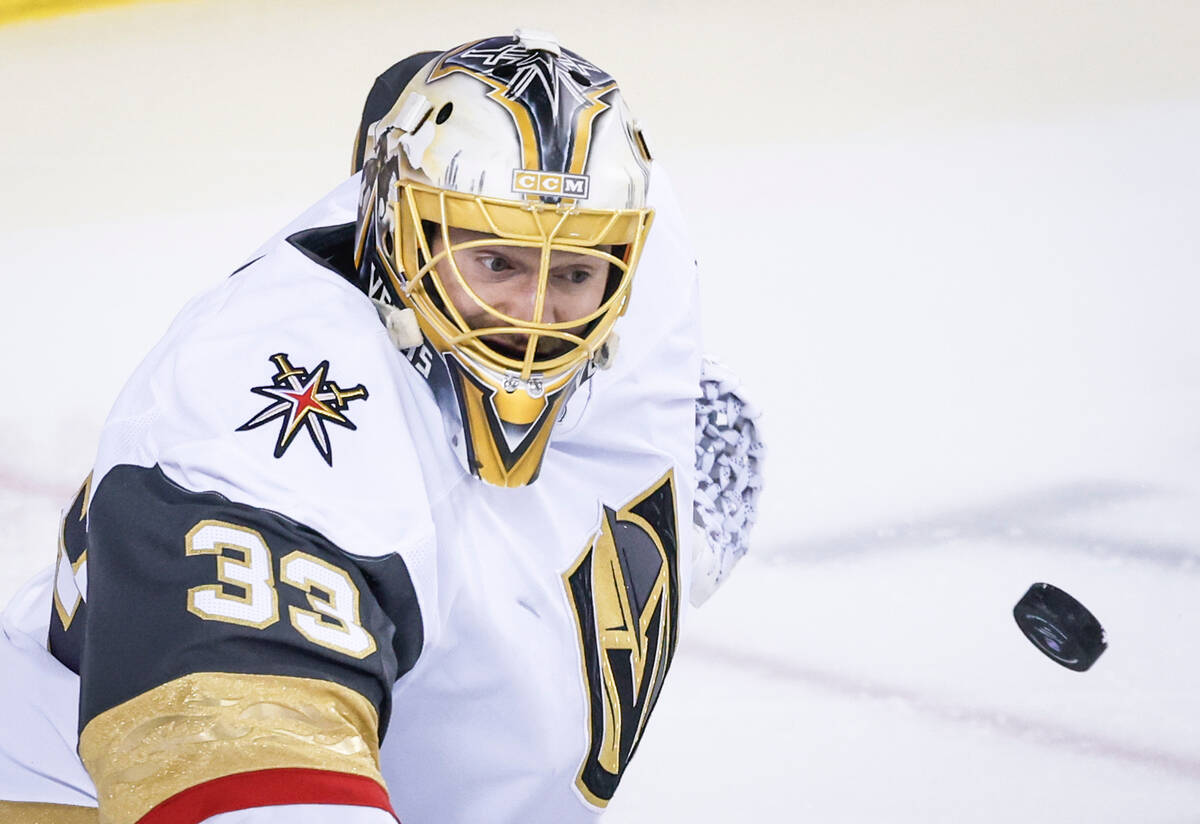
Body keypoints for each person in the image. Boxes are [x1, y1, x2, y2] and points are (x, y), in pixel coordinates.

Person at [0, 31, 762, 823]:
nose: (534, 317)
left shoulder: (613, 232)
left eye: (572, 272)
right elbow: (248, 782)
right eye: (497, 263)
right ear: (400, 231)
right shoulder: (259, 438)